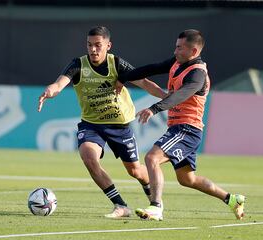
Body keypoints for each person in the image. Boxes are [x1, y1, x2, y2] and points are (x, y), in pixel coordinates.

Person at [38, 26, 167, 218]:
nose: (93, 50)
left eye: (98, 45)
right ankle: (121, 206)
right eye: (89, 45)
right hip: (91, 125)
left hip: (120, 126)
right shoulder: (78, 65)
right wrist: (50, 90)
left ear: (108, 45)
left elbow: (145, 83)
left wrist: (168, 97)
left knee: (136, 171)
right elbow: (59, 84)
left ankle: (155, 202)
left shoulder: (117, 64)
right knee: (89, 157)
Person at [117, 29, 245, 221]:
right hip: (180, 128)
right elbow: (152, 68)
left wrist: (154, 109)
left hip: (187, 129)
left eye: (179, 47)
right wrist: (123, 77)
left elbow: (180, 95)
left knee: (152, 158)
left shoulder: (198, 75)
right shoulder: (178, 62)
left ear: (193, 51)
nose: (175, 51)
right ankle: (232, 199)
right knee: (187, 179)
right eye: (176, 46)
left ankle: (156, 207)